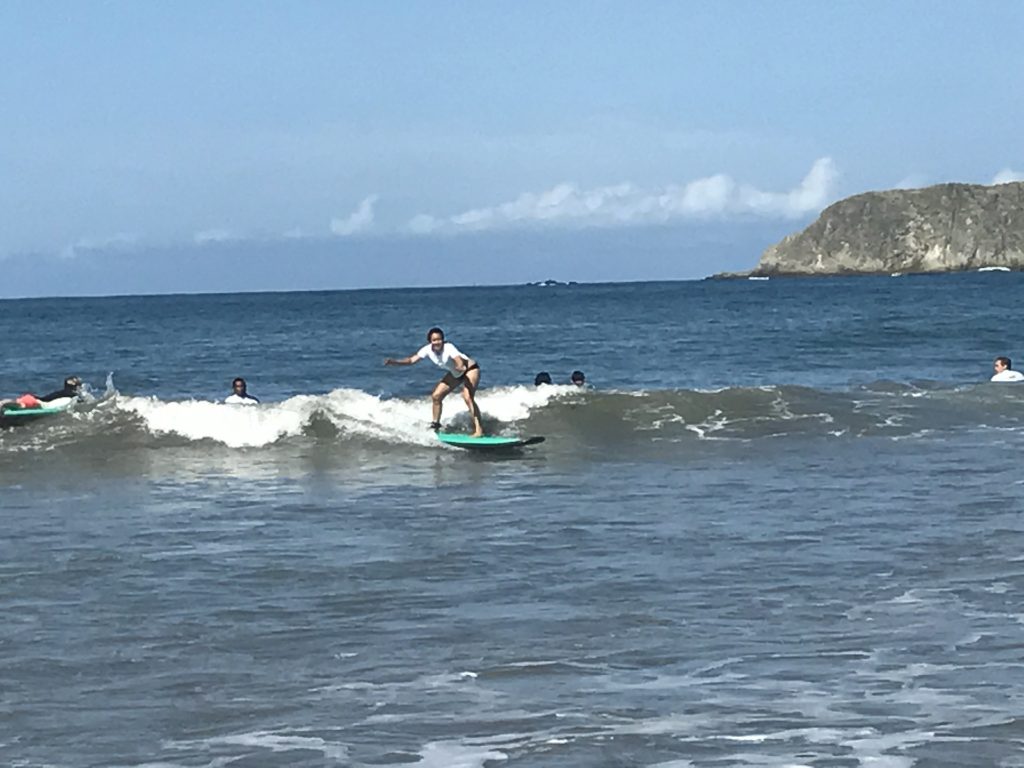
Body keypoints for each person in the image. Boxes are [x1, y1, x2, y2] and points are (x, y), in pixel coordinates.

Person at [385, 327, 484, 436]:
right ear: (430, 341)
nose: (437, 342)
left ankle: (479, 429)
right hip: (456, 373)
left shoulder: (449, 347)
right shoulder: (427, 350)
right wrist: (394, 362)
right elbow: (411, 360)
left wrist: (460, 366)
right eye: (434, 340)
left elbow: (458, 360)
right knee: (436, 396)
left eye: (439, 339)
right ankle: (435, 425)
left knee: (467, 397)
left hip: (470, 369)